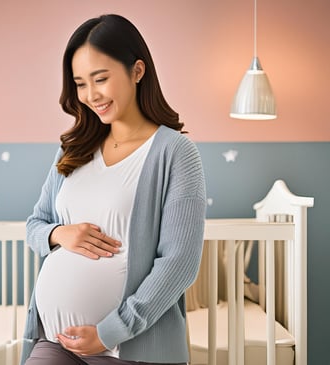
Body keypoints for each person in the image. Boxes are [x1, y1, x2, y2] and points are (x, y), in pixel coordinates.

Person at [21, 14, 206, 365]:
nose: (91, 95)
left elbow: (179, 263)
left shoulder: (174, 152)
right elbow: (35, 226)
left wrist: (110, 331)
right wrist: (61, 234)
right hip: (55, 340)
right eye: (80, 83)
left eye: (101, 79)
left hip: (129, 347)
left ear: (137, 71)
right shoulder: (73, 149)